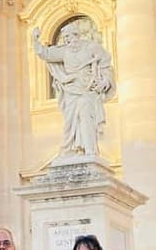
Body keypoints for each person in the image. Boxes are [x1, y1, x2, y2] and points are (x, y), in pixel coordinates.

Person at [32, 19, 115, 156]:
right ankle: (70, 149)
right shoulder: (64, 51)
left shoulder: (91, 47)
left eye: (68, 37)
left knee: (86, 117)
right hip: (71, 90)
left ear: (76, 35)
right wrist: (35, 40)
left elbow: (105, 65)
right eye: (64, 38)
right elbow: (45, 53)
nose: (66, 40)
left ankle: (90, 150)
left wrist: (105, 81)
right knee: (70, 122)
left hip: (87, 89)